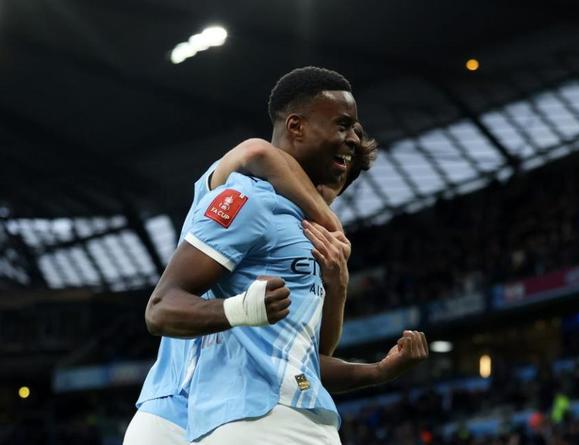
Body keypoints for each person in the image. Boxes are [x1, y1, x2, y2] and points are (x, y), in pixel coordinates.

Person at [123, 67, 428, 445]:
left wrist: (338, 286)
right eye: (321, 185)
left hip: (221, 413)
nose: (326, 195)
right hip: (177, 409)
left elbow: (307, 360)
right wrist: (329, 220)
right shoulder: (245, 193)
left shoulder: (308, 239)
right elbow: (259, 151)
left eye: (340, 183)